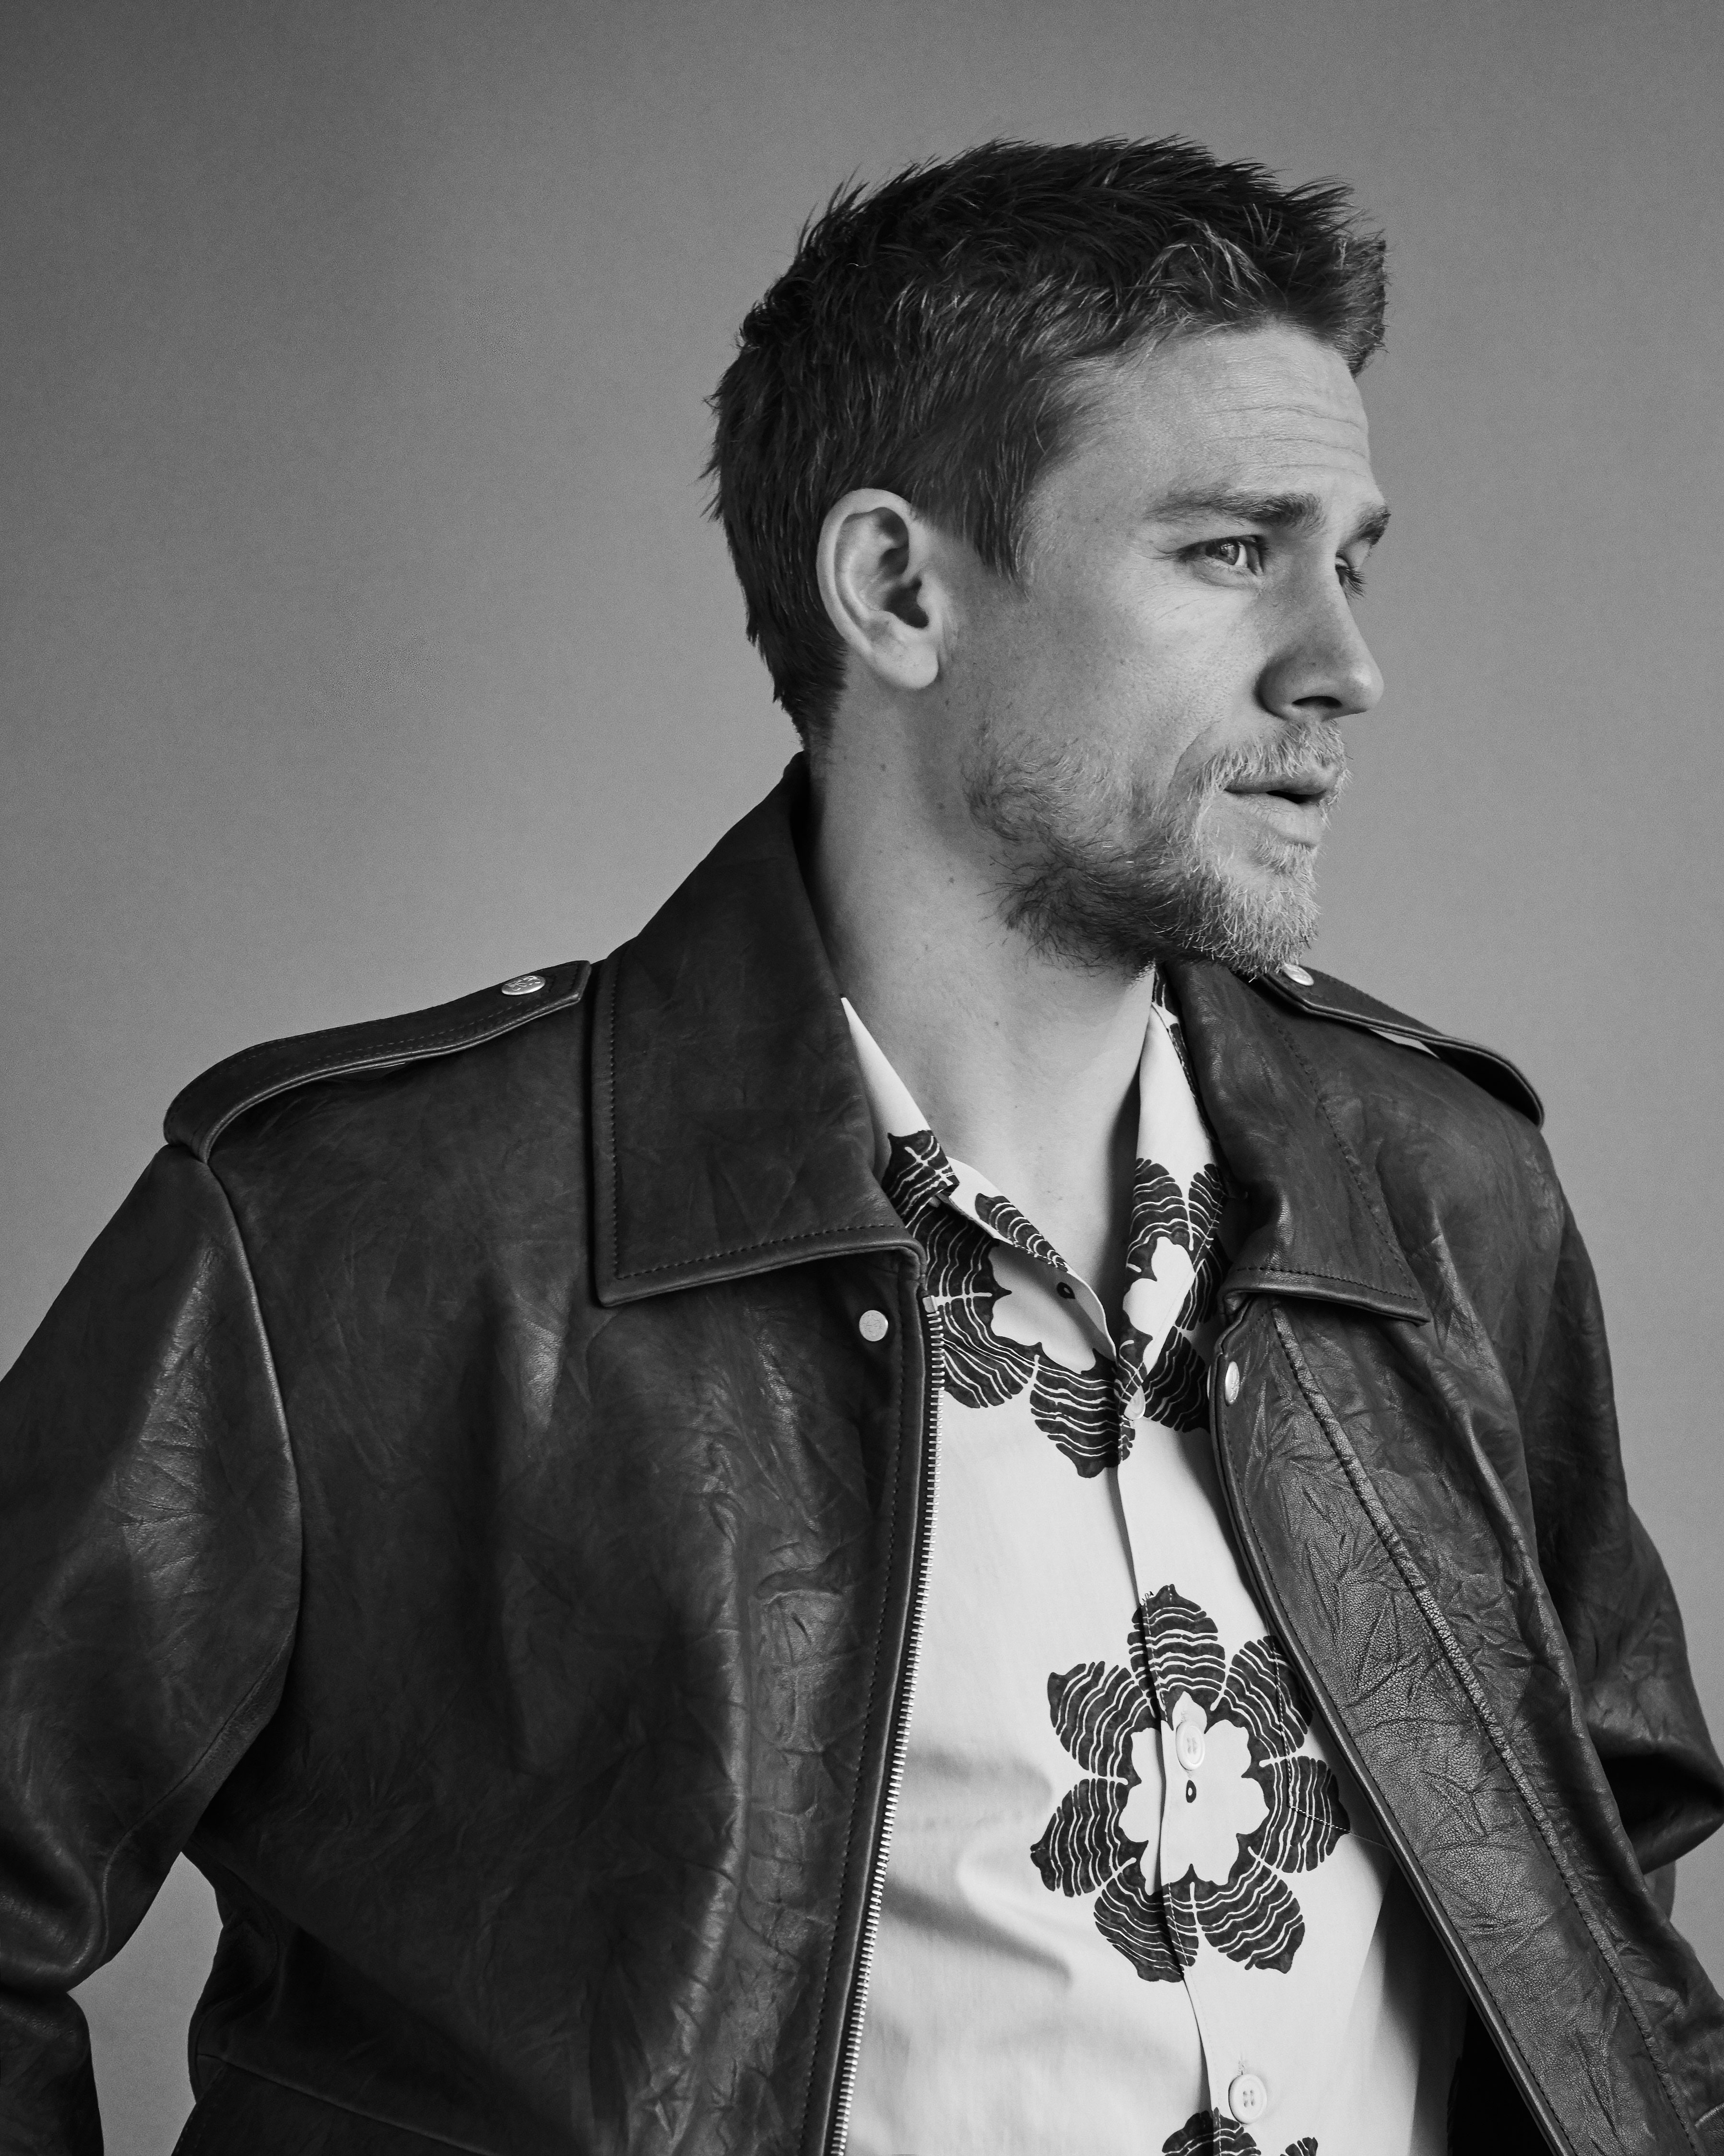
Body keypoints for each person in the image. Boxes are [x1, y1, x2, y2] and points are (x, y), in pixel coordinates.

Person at [1, 137, 1719, 2156]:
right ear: (898, 588)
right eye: (1226, 551)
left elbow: (1591, 1886)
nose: (1342, 664)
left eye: (1349, 560)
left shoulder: (1442, 1189)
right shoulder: (357, 1230)